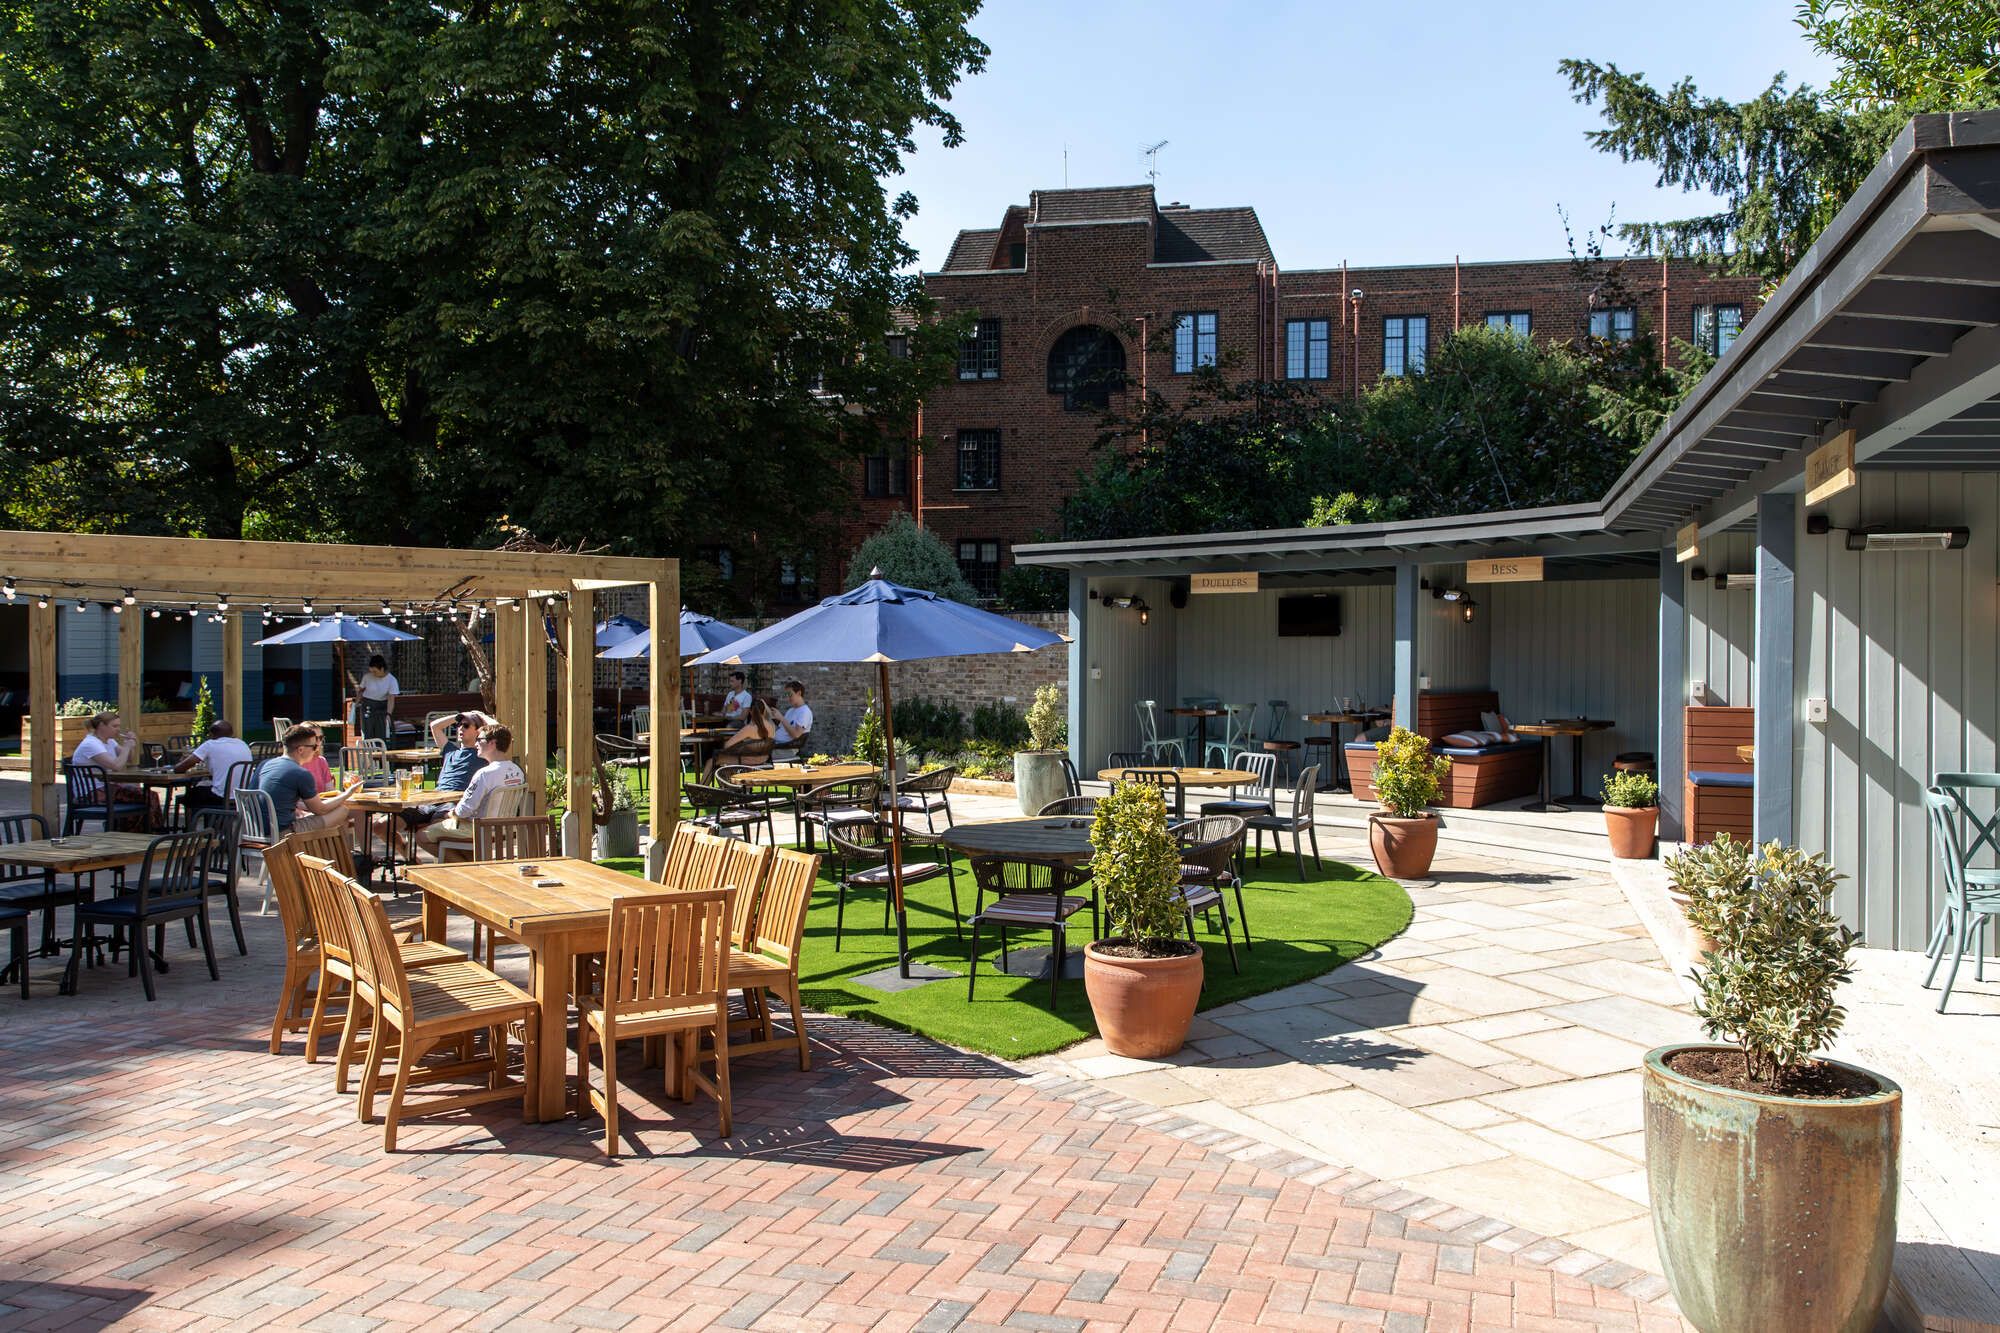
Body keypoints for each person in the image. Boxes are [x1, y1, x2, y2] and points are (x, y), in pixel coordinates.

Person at [420, 725, 526, 855]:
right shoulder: (518, 771)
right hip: (506, 828)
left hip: (480, 829)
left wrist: (449, 814)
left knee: (422, 835)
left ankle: (463, 871)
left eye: (479, 739)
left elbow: (464, 811)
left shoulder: (484, 773)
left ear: (492, 743)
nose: (476, 743)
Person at [400, 710, 494, 838]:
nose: (460, 728)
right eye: (458, 725)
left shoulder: (483, 754)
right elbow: (434, 726)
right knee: (382, 825)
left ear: (478, 731)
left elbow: (499, 731)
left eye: (466, 725)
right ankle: (408, 855)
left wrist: (481, 716)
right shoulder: (450, 750)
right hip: (431, 801)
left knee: (430, 832)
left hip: (452, 804)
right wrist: (459, 715)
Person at [256, 724, 362, 833]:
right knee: (342, 811)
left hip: (256, 829)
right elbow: (320, 810)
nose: (317, 749)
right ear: (301, 749)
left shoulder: (264, 764)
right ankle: (328, 849)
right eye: (314, 747)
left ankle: (334, 849)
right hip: (285, 831)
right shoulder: (300, 773)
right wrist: (347, 794)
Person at [70, 710, 155, 825]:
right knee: (148, 796)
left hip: (107, 789)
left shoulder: (109, 741)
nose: (118, 729)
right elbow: (116, 766)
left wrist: (130, 744)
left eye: (119, 726)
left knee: (144, 794)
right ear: (101, 726)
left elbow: (130, 759)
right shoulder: (91, 744)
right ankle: (151, 830)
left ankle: (129, 829)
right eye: (114, 726)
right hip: (92, 793)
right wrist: (126, 747)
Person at [176, 720, 253, 815]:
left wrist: (179, 763)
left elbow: (180, 768)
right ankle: (215, 824)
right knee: (205, 786)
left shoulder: (210, 744)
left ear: (211, 734)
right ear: (232, 733)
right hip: (244, 795)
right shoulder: (242, 743)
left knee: (190, 795)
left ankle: (195, 827)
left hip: (221, 797)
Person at [703, 699, 773, 780]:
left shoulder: (749, 728)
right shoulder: (771, 727)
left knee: (711, 761)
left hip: (746, 760)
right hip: (763, 760)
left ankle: (701, 789)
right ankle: (730, 787)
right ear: (764, 711)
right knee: (726, 764)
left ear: (750, 712)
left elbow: (727, 745)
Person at [355, 654, 399, 743]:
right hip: (367, 705)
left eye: (375, 671)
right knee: (367, 732)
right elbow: (360, 690)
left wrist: (388, 714)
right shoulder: (367, 677)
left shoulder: (391, 680)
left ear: (382, 668)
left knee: (380, 733)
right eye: (371, 671)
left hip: (381, 707)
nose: (373, 673)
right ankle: (367, 754)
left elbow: (391, 699)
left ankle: (379, 755)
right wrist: (356, 703)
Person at [772, 680, 813, 750]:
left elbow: (796, 734)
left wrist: (781, 718)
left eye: (790, 694)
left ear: (799, 693)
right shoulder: (791, 710)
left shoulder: (805, 712)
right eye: (787, 695)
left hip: (782, 747)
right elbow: (782, 728)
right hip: (774, 742)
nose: (788, 698)